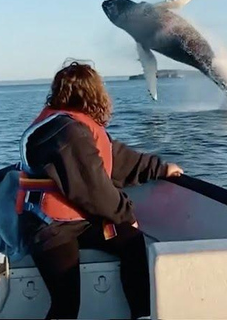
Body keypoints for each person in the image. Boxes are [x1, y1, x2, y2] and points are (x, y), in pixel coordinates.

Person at [16, 61, 183, 319]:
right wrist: (127, 215)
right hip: (49, 227)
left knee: (131, 242)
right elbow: (93, 189)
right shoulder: (66, 133)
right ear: (93, 93)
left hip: (82, 221)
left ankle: (142, 314)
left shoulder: (75, 125)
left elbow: (116, 158)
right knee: (66, 302)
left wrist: (159, 168)